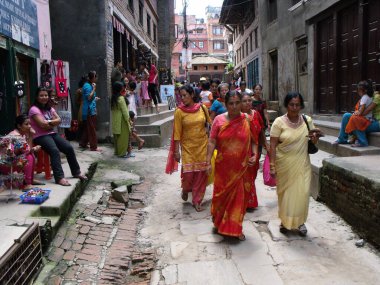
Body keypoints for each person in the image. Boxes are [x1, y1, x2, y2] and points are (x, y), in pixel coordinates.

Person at [206, 90, 259, 241]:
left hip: (242, 169)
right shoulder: (218, 120)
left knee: (239, 200)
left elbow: (255, 141)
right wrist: (207, 161)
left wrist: (254, 155)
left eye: (237, 103)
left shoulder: (247, 120)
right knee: (220, 197)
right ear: (225, 104)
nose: (235, 107)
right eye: (231, 103)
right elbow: (212, 141)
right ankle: (219, 222)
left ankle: (235, 229)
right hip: (224, 169)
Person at [269, 92, 319, 236]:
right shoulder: (279, 122)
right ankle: (285, 222)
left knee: (302, 194)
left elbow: (313, 141)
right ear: (286, 105)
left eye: (297, 105)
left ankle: (300, 222)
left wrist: (315, 138)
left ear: (301, 106)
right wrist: (272, 166)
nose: (294, 107)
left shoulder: (307, 120)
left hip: (302, 162)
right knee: (286, 195)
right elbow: (272, 146)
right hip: (284, 164)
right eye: (292, 104)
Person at [166, 85, 211, 212]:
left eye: (185, 95)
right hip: (187, 148)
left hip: (202, 146)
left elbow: (210, 125)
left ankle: (197, 200)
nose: (183, 98)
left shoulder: (202, 108)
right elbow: (177, 133)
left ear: (192, 95)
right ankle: (185, 189)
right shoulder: (179, 111)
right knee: (188, 175)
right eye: (181, 96)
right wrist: (176, 151)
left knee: (201, 174)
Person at [29, 87, 86, 186]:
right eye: (41, 95)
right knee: (54, 151)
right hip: (39, 136)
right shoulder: (34, 109)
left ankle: (76, 172)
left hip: (51, 134)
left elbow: (59, 120)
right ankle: (59, 178)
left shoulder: (49, 108)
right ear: (37, 97)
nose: (44, 97)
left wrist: (49, 122)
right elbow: (42, 125)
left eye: (46, 95)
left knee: (68, 147)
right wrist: (51, 122)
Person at [0, 115, 44, 190]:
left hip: (10, 160)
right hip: (5, 164)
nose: (29, 126)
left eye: (30, 124)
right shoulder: (16, 136)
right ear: (19, 126)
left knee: (30, 155)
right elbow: (27, 150)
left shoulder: (21, 134)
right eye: (26, 124)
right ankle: (27, 183)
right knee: (29, 156)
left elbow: (25, 149)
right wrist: (31, 135)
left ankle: (29, 180)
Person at [241, 93, 266, 210]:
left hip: (256, 149)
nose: (248, 103)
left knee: (253, 176)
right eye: (245, 101)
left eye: (249, 100)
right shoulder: (239, 117)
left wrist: (266, 146)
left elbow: (261, 131)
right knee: (245, 177)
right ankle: (247, 202)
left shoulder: (256, 114)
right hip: (242, 151)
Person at [333, 80, 374, 147]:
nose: (358, 92)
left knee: (354, 118)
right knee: (346, 115)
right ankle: (342, 139)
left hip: (366, 120)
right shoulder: (369, 97)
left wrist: (356, 112)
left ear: (365, 90)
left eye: (359, 91)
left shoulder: (364, 97)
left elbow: (361, 111)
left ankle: (362, 142)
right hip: (365, 118)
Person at [80, 71, 100, 151]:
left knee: (87, 128)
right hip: (89, 110)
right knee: (92, 129)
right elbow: (88, 97)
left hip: (89, 108)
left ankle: (83, 143)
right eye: (96, 77)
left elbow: (89, 98)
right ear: (93, 78)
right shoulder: (88, 86)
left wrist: (95, 99)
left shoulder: (88, 85)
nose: (96, 79)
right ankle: (93, 146)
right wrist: (94, 88)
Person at [111, 81, 132, 158]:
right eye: (122, 87)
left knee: (117, 137)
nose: (123, 88)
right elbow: (125, 111)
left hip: (115, 120)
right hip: (122, 120)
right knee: (123, 137)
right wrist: (129, 120)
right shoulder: (121, 98)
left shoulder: (113, 98)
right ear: (119, 89)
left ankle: (117, 152)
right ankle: (122, 153)